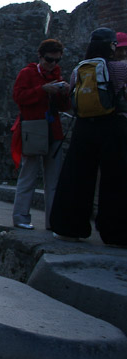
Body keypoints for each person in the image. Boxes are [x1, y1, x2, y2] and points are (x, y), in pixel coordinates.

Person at [50, 28, 127, 247]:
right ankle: (117, 234)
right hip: (113, 125)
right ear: (111, 46)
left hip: (84, 126)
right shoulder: (120, 68)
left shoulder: (79, 69)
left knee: (76, 176)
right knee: (116, 179)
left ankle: (68, 228)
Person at [10, 39, 70, 231]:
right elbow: (18, 97)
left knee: (54, 180)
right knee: (28, 176)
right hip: (33, 129)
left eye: (56, 60)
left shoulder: (57, 75)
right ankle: (21, 217)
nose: (52, 64)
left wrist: (64, 92)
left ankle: (53, 221)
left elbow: (64, 107)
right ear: (40, 56)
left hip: (53, 131)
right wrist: (42, 90)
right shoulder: (27, 73)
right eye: (49, 60)